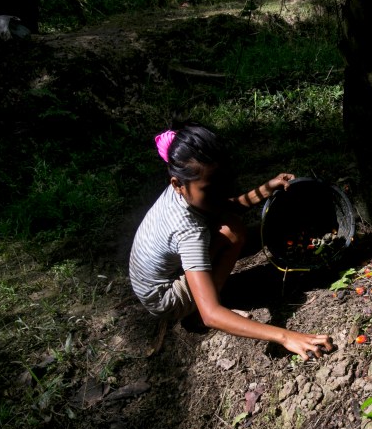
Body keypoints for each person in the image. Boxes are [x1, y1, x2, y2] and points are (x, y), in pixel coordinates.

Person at [129, 121, 334, 360]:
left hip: (160, 277)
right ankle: (192, 312)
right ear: (178, 185)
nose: (219, 194)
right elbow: (211, 315)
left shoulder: (187, 190)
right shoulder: (188, 232)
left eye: (222, 185)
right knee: (233, 231)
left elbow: (222, 204)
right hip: (166, 298)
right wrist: (286, 336)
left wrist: (265, 189)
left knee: (232, 225)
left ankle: (206, 288)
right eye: (210, 189)